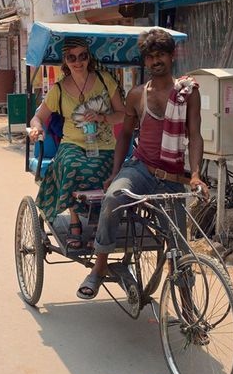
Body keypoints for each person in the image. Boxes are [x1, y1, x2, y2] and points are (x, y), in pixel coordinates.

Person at [77, 28, 209, 299]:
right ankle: (98, 269)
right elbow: (125, 134)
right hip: (140, 169)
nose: (154, 62)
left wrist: (195, 175)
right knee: (113, 197)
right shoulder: (137, 95)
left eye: (160, 55)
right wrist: (115, 173)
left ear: (172, 56)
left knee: (179, 246)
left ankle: (188, 310)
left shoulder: (187, 92)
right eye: (149, 58)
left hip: (173, 176)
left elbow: (195, 135)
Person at [29, 37, 125, 248]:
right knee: (72, 165)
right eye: (72, 57)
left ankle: (99, 223)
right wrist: (36, 128)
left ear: (88, 57)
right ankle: (74, 221)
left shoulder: (104, 80)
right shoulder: (59, 89)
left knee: (100, 170)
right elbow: (38, 117)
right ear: (65, 60)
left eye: (82, 56)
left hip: (105, 144)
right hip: (72, 144)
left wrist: (101, 118)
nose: (78, 61)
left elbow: (123, 114)